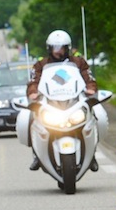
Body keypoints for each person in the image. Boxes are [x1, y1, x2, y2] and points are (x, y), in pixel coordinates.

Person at [26, 29, 99, 171]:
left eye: (61, 47)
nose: (58, 51)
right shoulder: (41, 64)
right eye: (55, 47)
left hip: (74, 101)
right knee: (30, 117)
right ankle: (36, 154)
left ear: (68, 48)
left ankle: (92, 155)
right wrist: (33, 92)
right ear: (49, 48)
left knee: (97, 116)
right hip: (50, 102)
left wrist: (91, 89)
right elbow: (33, 81)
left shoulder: (78, 62)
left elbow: (88, 77)